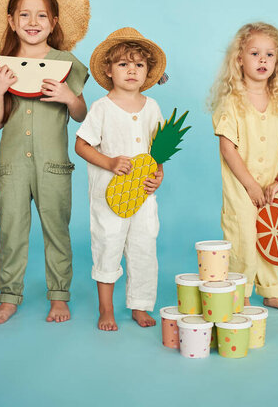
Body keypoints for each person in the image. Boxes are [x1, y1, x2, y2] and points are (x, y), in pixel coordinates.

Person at [0, 0, 90, 324]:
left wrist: (69, 97)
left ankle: (60, 296)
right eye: (24, 15)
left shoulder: (66, 62)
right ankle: (9, 297)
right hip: (11, 166)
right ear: (11, 21)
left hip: (53, 164)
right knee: (11, 230)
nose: (33, 22)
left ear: (53, 22)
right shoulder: (2, 65)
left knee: (57, 229)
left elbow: (81, 116)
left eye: (42, 15)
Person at [209, 22, 278, 312]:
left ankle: (271, 290)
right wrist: (250, 184)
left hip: (271, 187)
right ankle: (242, 292)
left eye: (269, 55)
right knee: (244, 239)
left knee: (270, 235)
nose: (262, 60)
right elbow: (228, 148)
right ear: (239, 59)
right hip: (242, 188)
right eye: (254, 53)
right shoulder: (232, 103)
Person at [75, 28, 166, 331]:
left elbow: (158, 151)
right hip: (108, 197)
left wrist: (158, 176)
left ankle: (140, 305)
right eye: (124, 64)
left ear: (147, 72)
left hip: (142, 196)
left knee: (143, 248)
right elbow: (81, 145)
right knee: (108, 245)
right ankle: (106, 309)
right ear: (108, 70)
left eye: (139, 65)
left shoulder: (151, 107)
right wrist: (110, 162)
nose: (132, 70)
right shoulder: (102, 108)